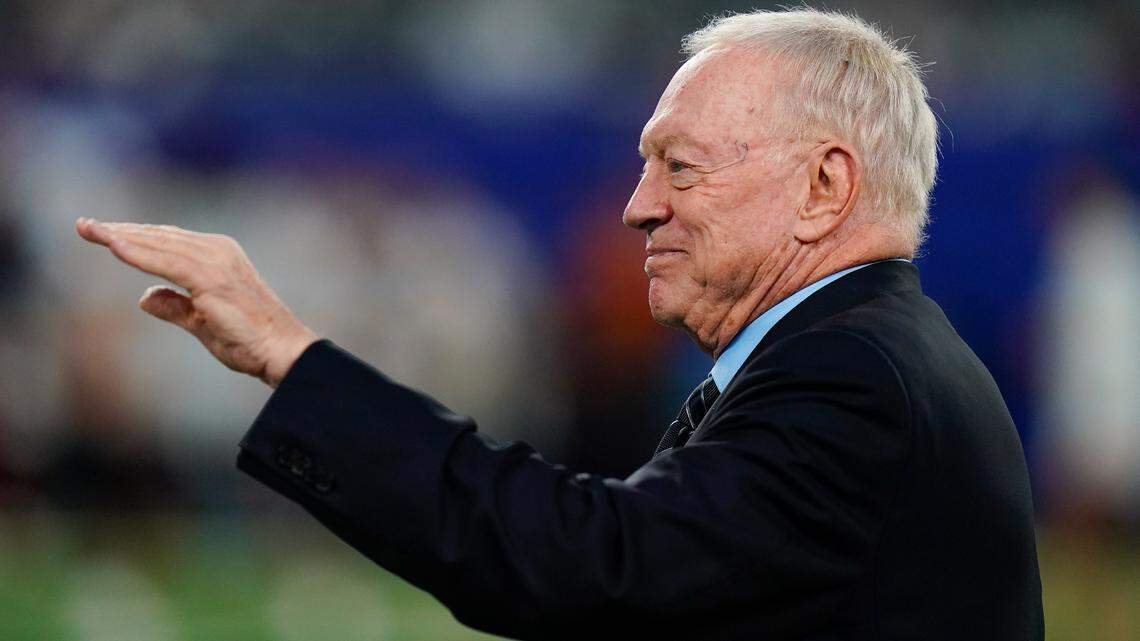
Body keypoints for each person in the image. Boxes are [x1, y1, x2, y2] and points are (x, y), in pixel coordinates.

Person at [75, 8, 1044, 640]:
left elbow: (595, 565)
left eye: (681, 166)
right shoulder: (868, 348)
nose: (638, 206)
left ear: (824, 185)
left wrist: (295, 361)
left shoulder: (850, 369)